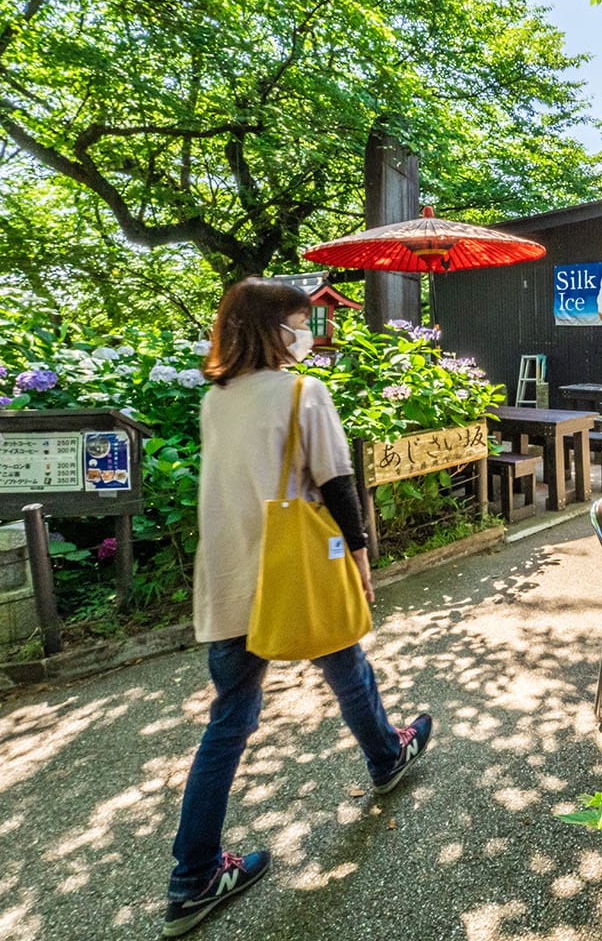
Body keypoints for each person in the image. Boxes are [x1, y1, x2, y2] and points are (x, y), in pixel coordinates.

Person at [163, 278, 432, 939]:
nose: (307, 333)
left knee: (229, 720)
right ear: (274, 330)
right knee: (343, 656)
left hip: (231, 579)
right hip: (299, 572)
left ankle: (191, 878)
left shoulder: (215, 399)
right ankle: (384, 756)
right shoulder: (302, 392)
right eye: (299, 322)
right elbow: (337, 481)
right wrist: (363, 556)